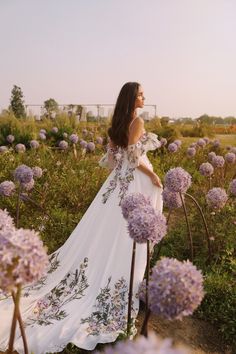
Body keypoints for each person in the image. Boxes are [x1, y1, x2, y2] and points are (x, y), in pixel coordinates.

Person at [0, 82, 163, 353]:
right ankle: (118, 281)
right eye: (141, 94)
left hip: (116, 184)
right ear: (132, 98)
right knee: (126, 236)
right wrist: (153, 175)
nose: (144, 97)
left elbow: (112, 160)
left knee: (106, 234)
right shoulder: (137, 121)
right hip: (133, 182)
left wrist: (123, 163)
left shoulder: (118, 122)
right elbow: (134, 156)